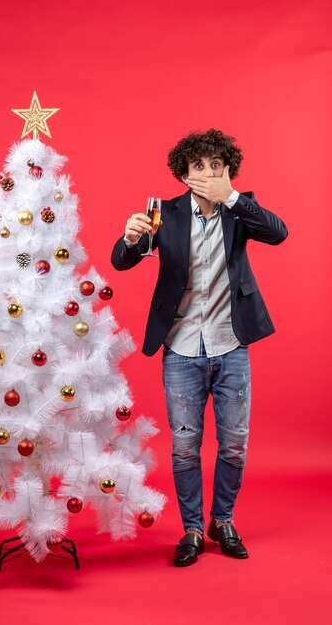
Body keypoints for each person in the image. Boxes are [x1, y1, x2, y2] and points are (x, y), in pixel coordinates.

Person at [111, 128, 288, 567]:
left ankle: (221, 521)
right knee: (186, 446)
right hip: (181, 350)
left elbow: (279, 232)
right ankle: (191, 528)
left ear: (227, 171)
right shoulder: (166, 215)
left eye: (216, 166)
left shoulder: (239, 212)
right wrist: (132, 238)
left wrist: (232, 196)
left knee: (233, 445)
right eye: (199, 167)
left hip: (232, 346)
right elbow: (122, 260)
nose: (207, 174)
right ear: (184, 174)